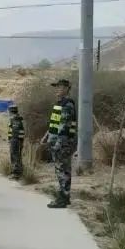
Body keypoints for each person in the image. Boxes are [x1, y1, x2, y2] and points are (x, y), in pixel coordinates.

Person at [41, 79, 77, 209]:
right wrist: (46, 136)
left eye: (60, 87)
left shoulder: (67, 105)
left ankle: (63, 198)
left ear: (66, 88)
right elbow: (55, 124)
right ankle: (64, 197)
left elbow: (64, 127)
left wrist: (57, 144)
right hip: (57, 142)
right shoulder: (60, 104)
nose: (57, 89)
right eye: (56, 87)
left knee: (62, 171)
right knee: (62, 170)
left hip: (62, 143)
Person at [8, 103, 25, 179]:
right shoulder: (19, 119)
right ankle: (19, 172)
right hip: (18, 140)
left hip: (15, 140)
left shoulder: (14, 120)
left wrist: (11, 140)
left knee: (15, 156)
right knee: (18, 156)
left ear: (11, 111)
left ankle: (16, 173)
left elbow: (14, 132)